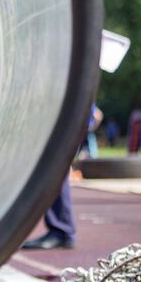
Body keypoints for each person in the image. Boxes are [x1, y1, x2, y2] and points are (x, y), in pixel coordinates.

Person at [23, 104, 103, 250]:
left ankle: (62, 230)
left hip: (61, 117)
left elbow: (97, 114)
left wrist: (84, 129)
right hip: (62, 115)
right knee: (52, 165)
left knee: (54, 165)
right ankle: (61, 229)